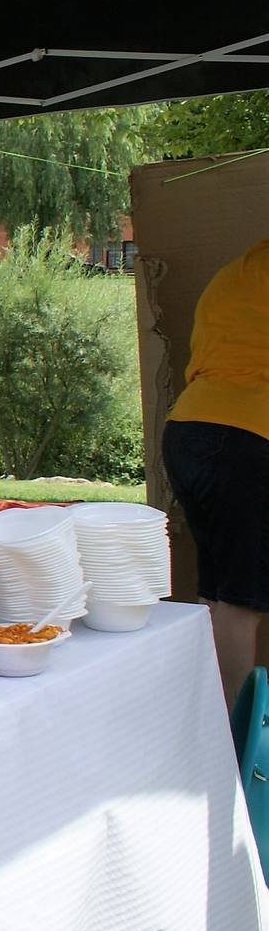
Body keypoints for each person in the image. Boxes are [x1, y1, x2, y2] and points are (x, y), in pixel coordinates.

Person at [162, 238, 269, 706]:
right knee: (242, 602)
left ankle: (210, 729)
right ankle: (243, 751)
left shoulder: (244, 266)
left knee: (217, 594)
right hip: (246, 436)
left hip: (188, 430)